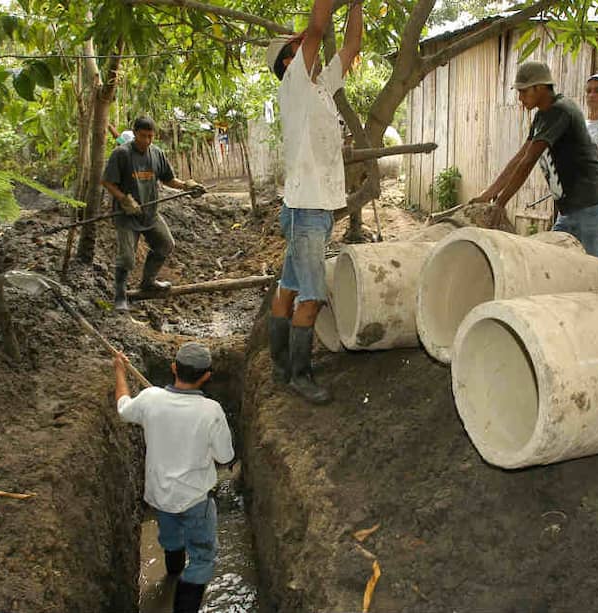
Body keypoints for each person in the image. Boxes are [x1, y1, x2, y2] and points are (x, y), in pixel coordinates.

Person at [264, 0, 362, 404]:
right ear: (289, 64)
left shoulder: (320, 88)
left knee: (289, 285)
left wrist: (355, 5)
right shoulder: (296, 85)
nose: (309, 48)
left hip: (310, 207)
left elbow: (351, 47)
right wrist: (318, 21)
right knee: (312, 294)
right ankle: (299, 376)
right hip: (306, 209)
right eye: (299, 47)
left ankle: (279, 365)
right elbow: (318, 28)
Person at [114, 343, 235, 613]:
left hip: (160, 495)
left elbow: (123, 408)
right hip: (194, 500)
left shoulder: (150, 398)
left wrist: (119, 372)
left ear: (173, 368)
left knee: (171, 539)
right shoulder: (211, 410)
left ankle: (172, 574)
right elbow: (225, 456)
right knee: (202, 560)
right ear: (206, 376)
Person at [469, 61, 598, 256]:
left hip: (592, 204)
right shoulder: (542, 116)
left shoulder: (560, 110)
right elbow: (520, 157)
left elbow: (528, 161)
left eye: (523, 92)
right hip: (572, 208)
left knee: (597, 267)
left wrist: (500, 202)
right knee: (554, 259)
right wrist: (488, 195)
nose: (520, 98)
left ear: (539, 88)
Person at [101, 116, 201, 311]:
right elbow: (107, 182)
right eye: (142, 136)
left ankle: (148, 281)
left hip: (150, 214)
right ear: (135, 133)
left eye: (150, 136)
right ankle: (120, 296)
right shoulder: (121, 154)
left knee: (165, 244)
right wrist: (124, 199)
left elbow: (169, 179)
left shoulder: (156, 154)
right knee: (128, 258)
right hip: (126, 216)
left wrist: (187, 186)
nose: (146, 141)